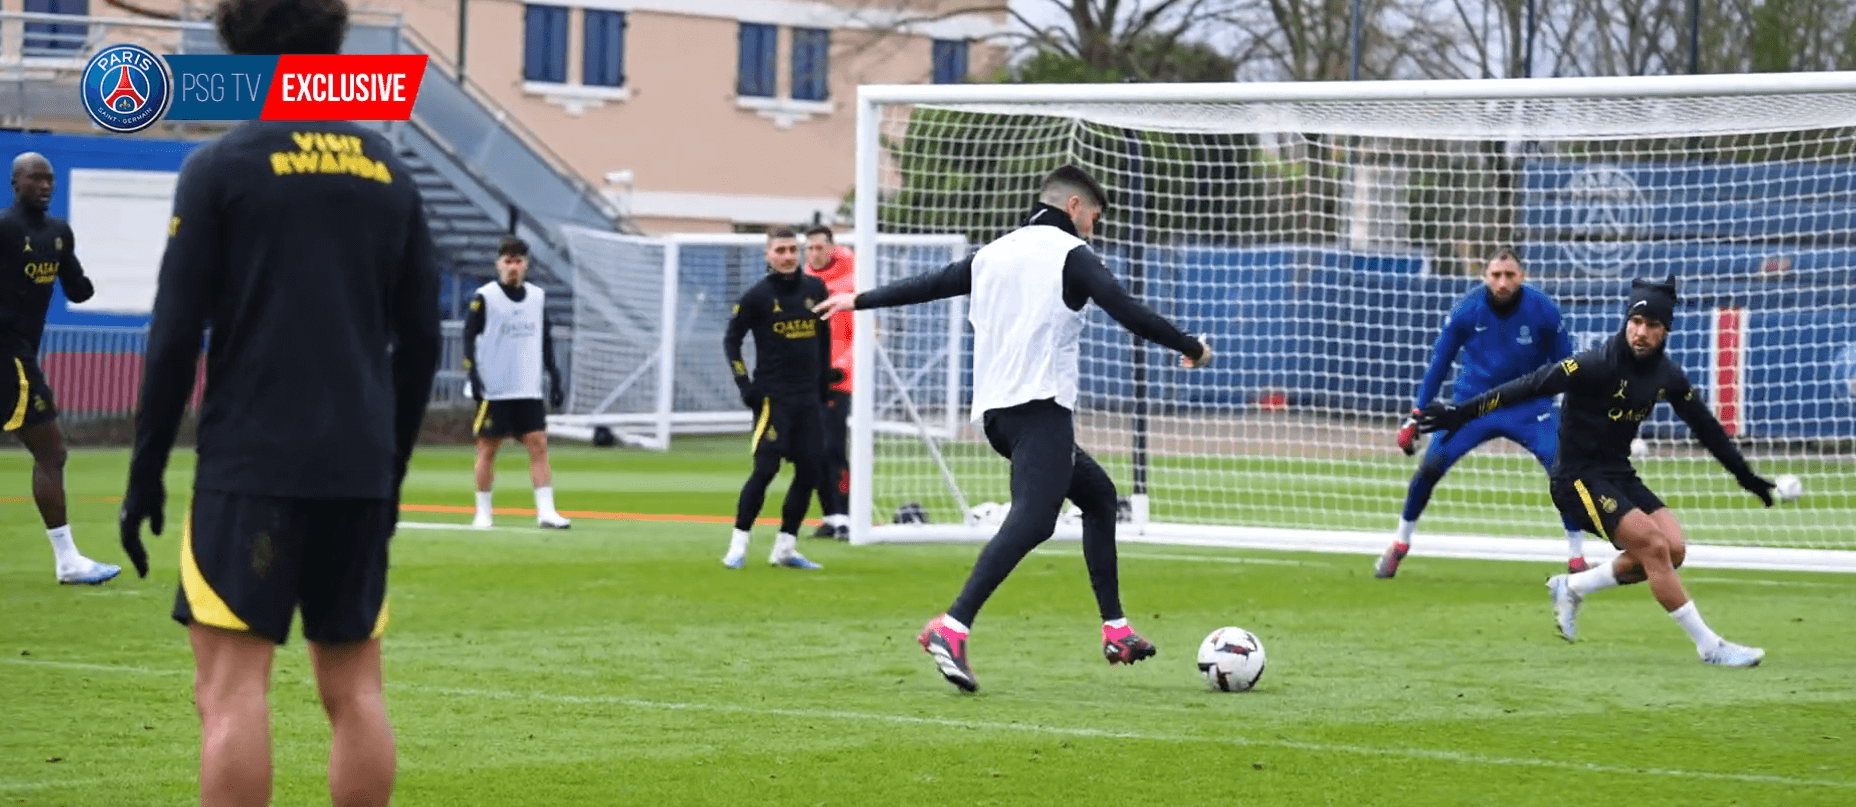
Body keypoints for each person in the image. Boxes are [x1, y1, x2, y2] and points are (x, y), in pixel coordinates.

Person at [117, 0, 443, 804]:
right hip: (359, 468)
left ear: (236, 52)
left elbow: (173, 336)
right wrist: (390, 469)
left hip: (252, 464)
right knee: (355, 689)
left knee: (230, 689)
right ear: (334, 46)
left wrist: (146, 469)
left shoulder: (221, 166)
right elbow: (423, 342)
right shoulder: (388, 169)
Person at [814, 164, 1212, 692]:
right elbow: (1128, 310)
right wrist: (1190, 346)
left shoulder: (992, 253)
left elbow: (927, 285)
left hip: (998, 416)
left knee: (1097, 496)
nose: (1094, 225)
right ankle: (952, 626)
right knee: (1035, 519)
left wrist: (858, 299)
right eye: (1093, 215)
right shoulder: (1071, 255)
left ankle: (1116, 628)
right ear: (1073, 207)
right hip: (1041, 408)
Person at [1416, 276, 1771, 668]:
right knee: (1653, 548)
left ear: (1665, 331)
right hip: (1576, 479)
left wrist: (1747, 477)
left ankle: (1573, 586)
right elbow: (1526, 386)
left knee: (1674, 550)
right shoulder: (1593, 364)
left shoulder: (1667, 376)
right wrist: (1459, 413)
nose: (1641, 332)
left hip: (1618, 473)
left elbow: (1707, 429)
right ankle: (1710, 647)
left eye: (1653, 325)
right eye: (1636, 322)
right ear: (1626, 322)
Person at [1378, 250, 1589, 578]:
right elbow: (1440, 363)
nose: (1502, 282)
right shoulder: (1466, 309)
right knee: (1430, 466)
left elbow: (1569, 364)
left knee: (1562, 467)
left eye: (1509, 274)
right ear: (1484, 277)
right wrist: (1417, 414)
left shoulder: (1543, 309)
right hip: (1472, 405)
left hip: (1528, 405)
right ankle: (1400, 543)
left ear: (1522, 276)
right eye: (1496, 275)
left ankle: (1577, 557)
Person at [0, 152, 121, 585]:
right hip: (9, 354)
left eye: (49, 179)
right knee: (51, 451)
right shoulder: (5, 228)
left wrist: (99, 277)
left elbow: (77, 287)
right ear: (15, 183)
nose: (45, 185)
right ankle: (68, 562)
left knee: (50, 453)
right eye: (35, 178)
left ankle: (69, 561)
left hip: (23, 352)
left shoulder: (57, 232)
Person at [721, 227, 830, 570]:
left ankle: (785, 548)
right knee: (765, 470)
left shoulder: (815, 289)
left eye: (791, 250)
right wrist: (745, 386)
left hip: (808, 399)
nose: (786, 256)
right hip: (773, 399)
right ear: (768, 255)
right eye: (779, 250)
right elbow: (731, 341)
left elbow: (823, 337)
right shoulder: (757, 296)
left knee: (810, 471)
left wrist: (824, 382)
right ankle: (738, 545)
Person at [463, 236, 570, 530]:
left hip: (527, 387)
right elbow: (468, 336)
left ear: (526, 265)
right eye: (508, 261)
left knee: (538, 445)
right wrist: (472, 373)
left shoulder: (537, 297)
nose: (513, 267)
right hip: (494, 388)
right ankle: (483, 512)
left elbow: (545, 338)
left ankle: (546, 511)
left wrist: (555, 375)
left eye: (518, 261)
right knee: (488, 448)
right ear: (499, 264)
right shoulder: (485, 297)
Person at [803, 224, 853, 541]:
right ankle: (831, 516)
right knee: (812, 451)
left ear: (832, 248)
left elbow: (859, 335)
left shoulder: (849, 286)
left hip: (838, 381)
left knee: (834, 448)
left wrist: (840, 368)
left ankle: (846, 516)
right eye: (810, 248)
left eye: (820, 247)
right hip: (807, 382)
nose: (815, 253)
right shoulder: (803, 286)